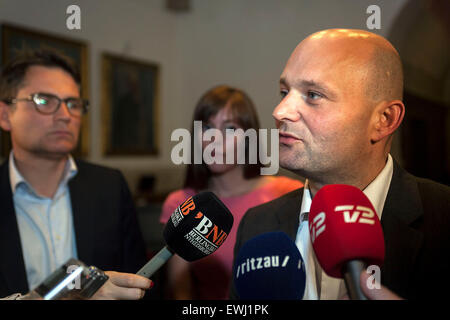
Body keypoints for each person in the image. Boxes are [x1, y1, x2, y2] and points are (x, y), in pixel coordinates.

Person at [230, 29, 450, 300]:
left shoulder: (443, 216)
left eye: (313, 95)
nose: (280, 111)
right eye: (284, 91)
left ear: (384, 119)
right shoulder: (256, 225)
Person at [0, 49, 151, 299]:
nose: (65, 115)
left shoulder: (109, 187)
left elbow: (136, 282)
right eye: (44, 101)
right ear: (5, 115)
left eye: (73, 103)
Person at [160, 85, 303, 299]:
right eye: (207, 127)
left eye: (230, 129)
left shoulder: (287, 194)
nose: (215, 140)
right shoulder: (182, 203)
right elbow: (182, 291)